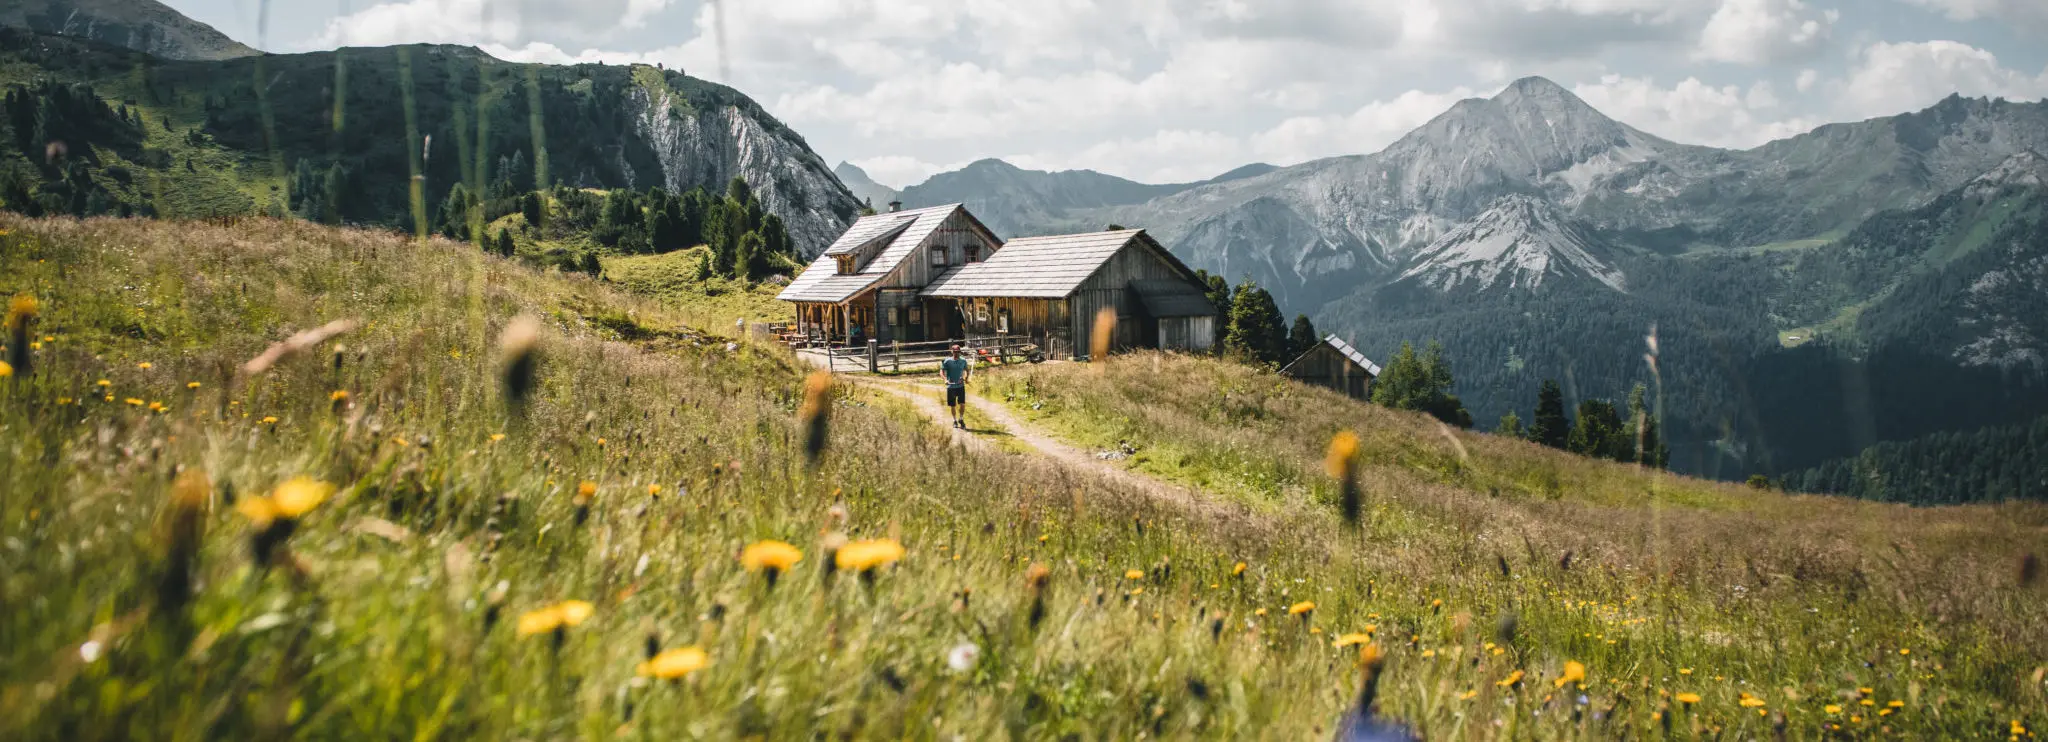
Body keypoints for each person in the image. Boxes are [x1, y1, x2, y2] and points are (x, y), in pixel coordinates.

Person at [940, 344, 972, 429]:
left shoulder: (963, 361)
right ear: (952, 352)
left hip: (960, 385)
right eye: (955, 352)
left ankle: (961, 419)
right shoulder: (947, 361)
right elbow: (941, 372)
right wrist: (945, 380)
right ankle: (954, 421)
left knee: (962, 403)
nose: (956, 353)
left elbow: (967, 370)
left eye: (958, 352)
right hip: (951, 386)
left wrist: (966, 378)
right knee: (952, 405)